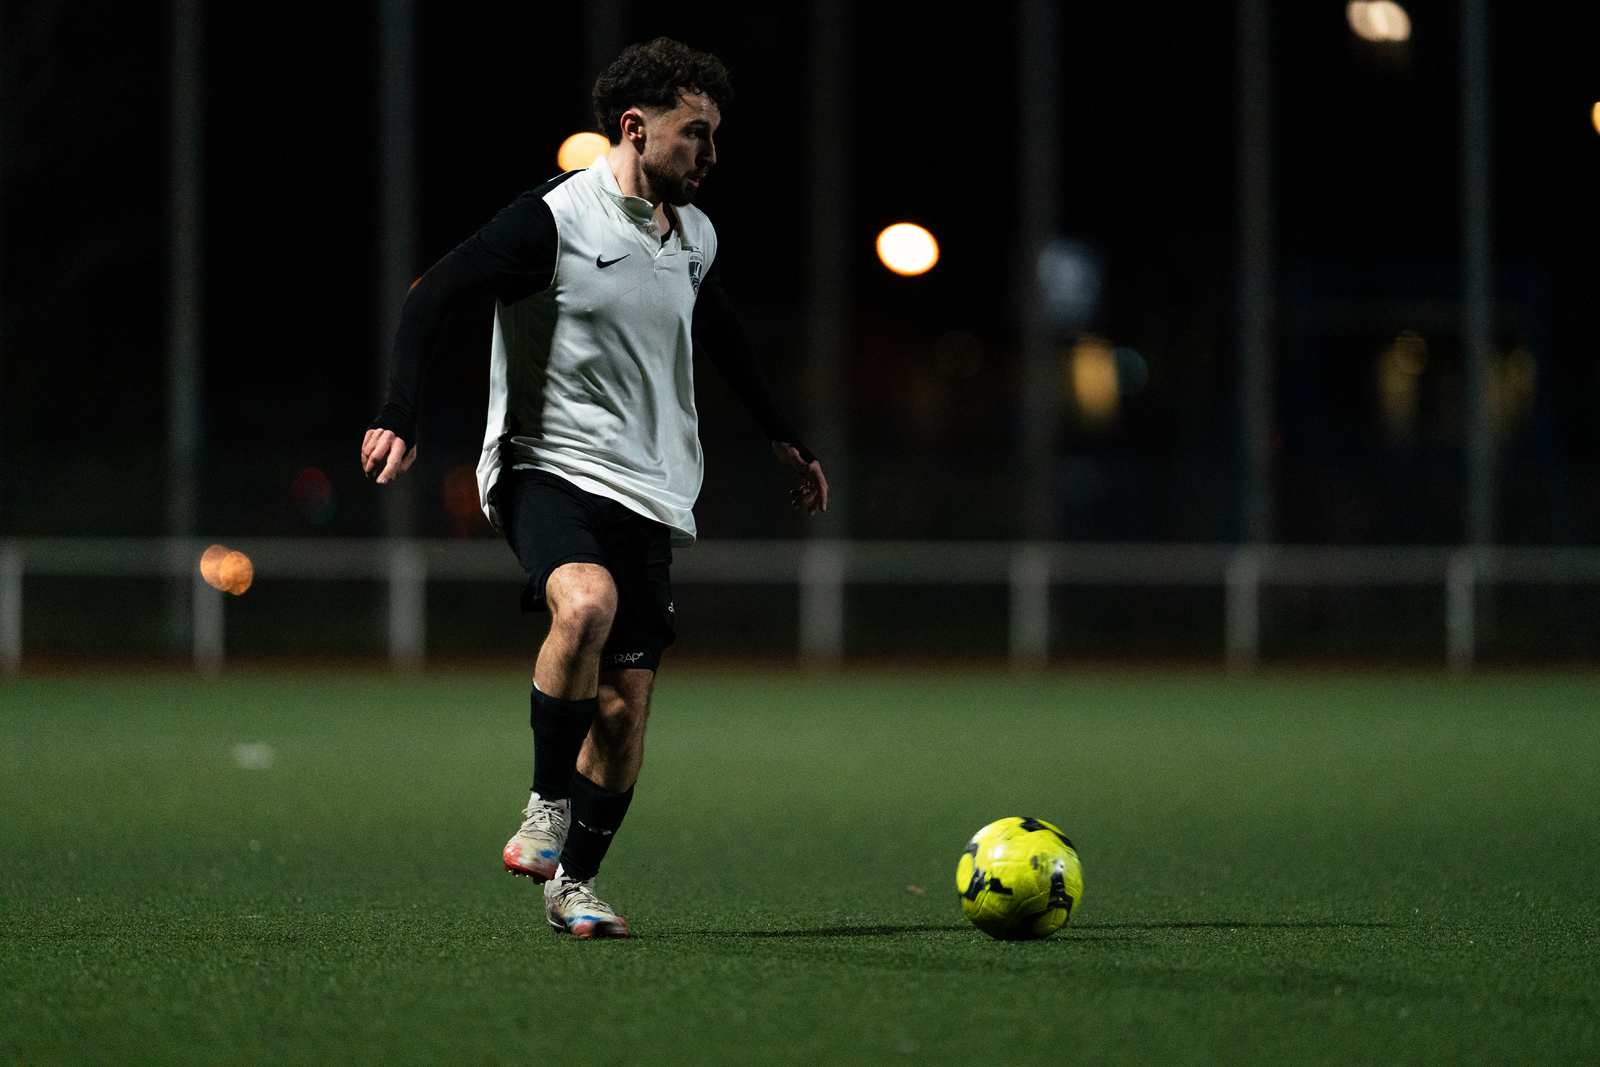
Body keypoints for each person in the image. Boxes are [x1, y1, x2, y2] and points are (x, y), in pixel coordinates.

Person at [360, 38, 827, 939]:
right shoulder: (553, 220)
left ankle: (573, 883)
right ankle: (546, 803)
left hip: (648, 490)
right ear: (635, 127)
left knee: (624, 710)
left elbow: (720, 331)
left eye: (715, 135)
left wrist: (786, 435)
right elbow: (432, 294)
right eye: (696, 133)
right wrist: (399, 412)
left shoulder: (695, 237)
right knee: (585, 603)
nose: (711, 153)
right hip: (544, 466)